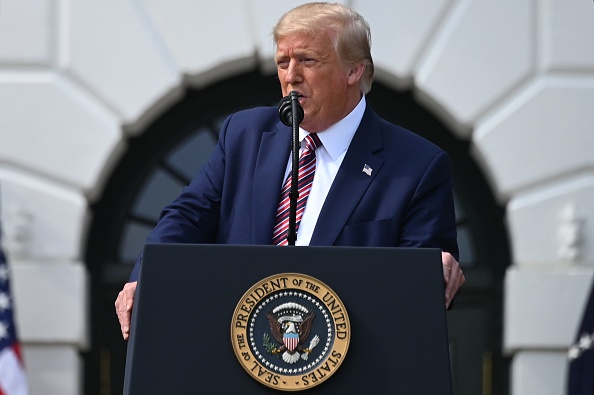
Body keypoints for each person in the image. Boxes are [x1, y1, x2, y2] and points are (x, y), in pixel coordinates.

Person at [115, 2, 465, 340]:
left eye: (308, 61)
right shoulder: (244, 134)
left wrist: (432, 272)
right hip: (237, 352)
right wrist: (144, 278)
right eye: (283, 62)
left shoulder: (416, 164)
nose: (291, 76)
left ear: (354, 70)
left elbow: (423, 284)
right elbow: (186, 218)